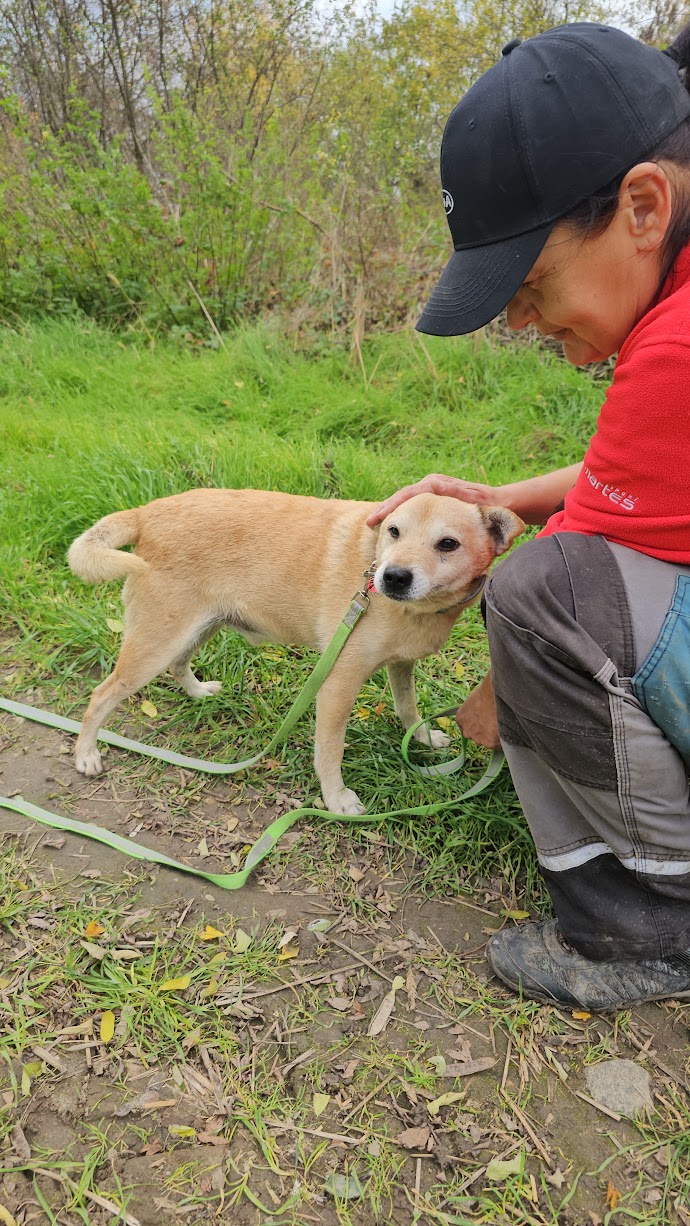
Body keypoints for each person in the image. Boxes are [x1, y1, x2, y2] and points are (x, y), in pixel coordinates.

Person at [367, 21, 690, 1011]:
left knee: (539, 593)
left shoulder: (675, 348)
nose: (517, 321)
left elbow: (569, 579)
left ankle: (650, 927)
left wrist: (493, 711)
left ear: (643, 205)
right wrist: (499, 498)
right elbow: (632, 468)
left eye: (530, 283)